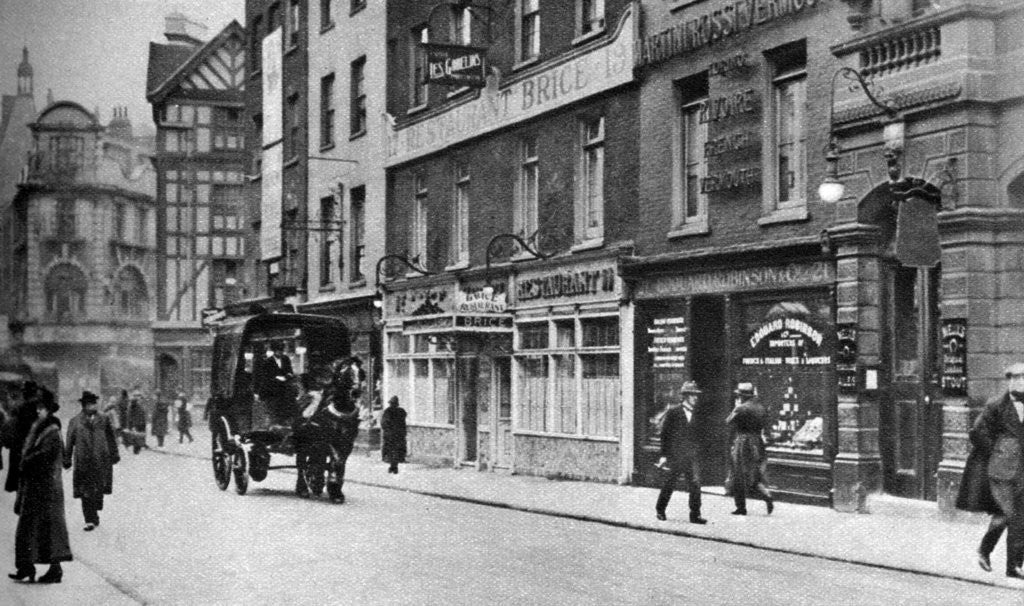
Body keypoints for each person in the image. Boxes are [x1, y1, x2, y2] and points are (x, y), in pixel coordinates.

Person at [956, 363, 1024, 578]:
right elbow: (976, 432)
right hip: (1001, 470)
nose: (1019, 382)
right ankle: (985, 550)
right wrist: (997, 451)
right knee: (1007, 514)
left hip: (1022, 469)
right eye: (1014, 378)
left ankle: (1014, 566)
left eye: (1023, 378)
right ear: (1009, 381)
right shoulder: (996, 405)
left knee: (1020, 517)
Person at [9, 389, 71, 584]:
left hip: (46, 488)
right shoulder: (40, 427)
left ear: (49, 410)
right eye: (38, 408)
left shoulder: (51, 431)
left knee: (47, 530)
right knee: (32, 529)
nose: (39, 411)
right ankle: (27, 566)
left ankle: (53, 569)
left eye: (42, 408)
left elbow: (46, 455)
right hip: (37, 486)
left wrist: (26, 461)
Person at [63, 391, 120, 531]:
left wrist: (114, 454)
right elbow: (69, 442)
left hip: (101, 459)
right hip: (83, 461)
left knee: (98, 489)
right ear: (84, 405)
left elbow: (111, 438)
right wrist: (67, 458)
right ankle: (89, 519)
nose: (93, 406)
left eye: (94, 403)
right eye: (90, 404)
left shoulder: (104, 419)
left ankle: (94, 512)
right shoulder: (75, 421)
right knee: (85, 491)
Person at [654, 381, 707, 524]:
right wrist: (664, 455)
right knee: (670, 483)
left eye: (696, 395)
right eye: (693, 395)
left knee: (695, 484)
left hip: (691, 456)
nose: (696, 398)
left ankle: (695, 515)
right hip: (676, 455)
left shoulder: (698, 414)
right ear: (685, 396)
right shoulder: (673, 412)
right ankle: (660, 510)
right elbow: (665, 435)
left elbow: (700, 435)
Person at [725, 382, 774, 516]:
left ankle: (741, 507)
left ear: (741, 396)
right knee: (754, 474)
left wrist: (736, 408)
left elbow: (728, 421)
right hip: (757, 442)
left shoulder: (741, 408)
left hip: (743, 443)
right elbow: (766, 425)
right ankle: (766, 494)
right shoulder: (760, 407)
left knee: (738, 475)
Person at [3, 382, 45, 494]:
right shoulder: (42, 410)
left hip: (19, 451)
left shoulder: (18, 410)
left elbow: (9, 431)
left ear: (24, 394)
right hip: (37, 450)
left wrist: (8, 442)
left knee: (21, 484)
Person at [255, 341, 295, 426]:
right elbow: (265, 377)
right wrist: (276, 378)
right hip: (273, 391)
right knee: (274, 411)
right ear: (274, 351)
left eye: (281, 351)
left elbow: (290, 371)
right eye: (278, 351)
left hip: (284, 390)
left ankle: (283, 425)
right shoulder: (267, 362)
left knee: (284, 411)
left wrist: (287, 376)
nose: (280, 353)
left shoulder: (286, 359)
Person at [380, 396, 407, 474]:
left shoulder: (388, 411)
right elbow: (403, 422)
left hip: (390, 435)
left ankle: (393, 466)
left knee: (391, 450)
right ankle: (394, 466)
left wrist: (387, 430)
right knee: (396, 450)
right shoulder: (401, 411)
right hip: (399, 435)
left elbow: (384, 423)